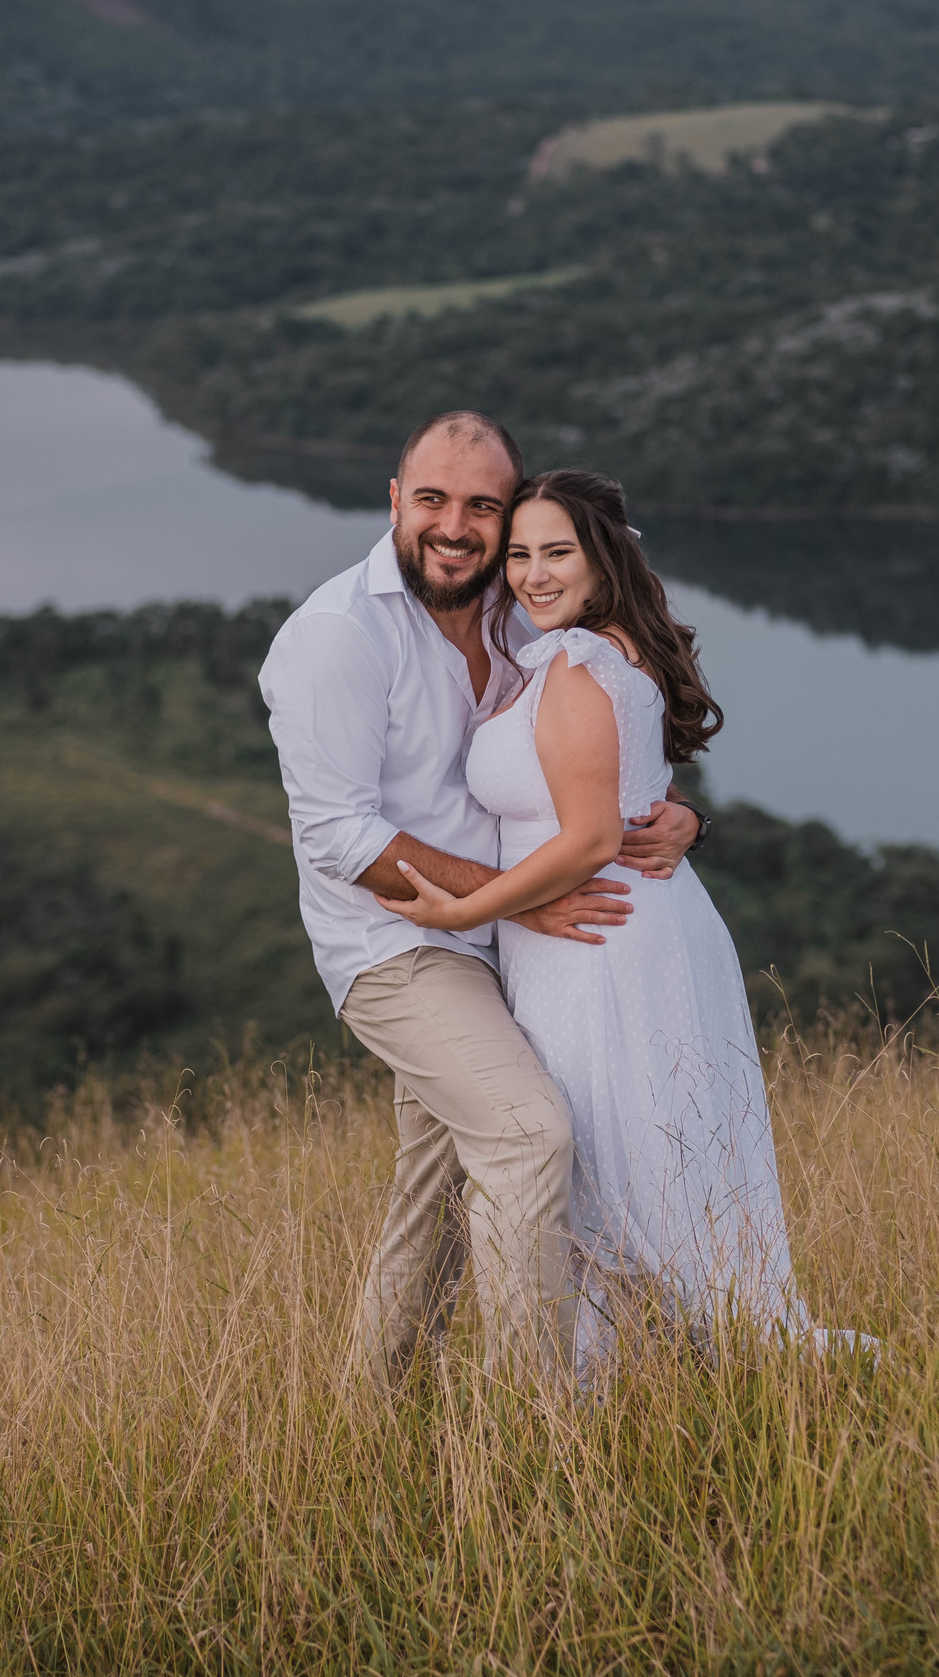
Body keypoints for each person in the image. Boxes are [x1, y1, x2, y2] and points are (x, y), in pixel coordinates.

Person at [258, 416, 701, 1390]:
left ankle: (372, 1418)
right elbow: (338, 836)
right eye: (433, 499)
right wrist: (498, 901)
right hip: (400, 944)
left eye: (483, 506)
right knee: (527, 1133)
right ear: (394, 500)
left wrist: (679, 820)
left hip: (515, 936)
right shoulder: (337, 637)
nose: (455, 526)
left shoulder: (523, 606)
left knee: (441, 1182)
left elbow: (602, 739)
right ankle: (535, 1427)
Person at [376, 468, 801, 1371]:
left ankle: (637, 1382)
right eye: (520, 554)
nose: (532, 574)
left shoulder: (579, 662)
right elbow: (632, 790)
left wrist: (469, 908)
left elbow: (592, 835)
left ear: (603, 557)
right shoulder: (582, 653)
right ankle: (660, 1375)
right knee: (632, 1165)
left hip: (602, 940)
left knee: (622, 1168)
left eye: (556, 552)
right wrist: (685, 814)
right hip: (609, 933)